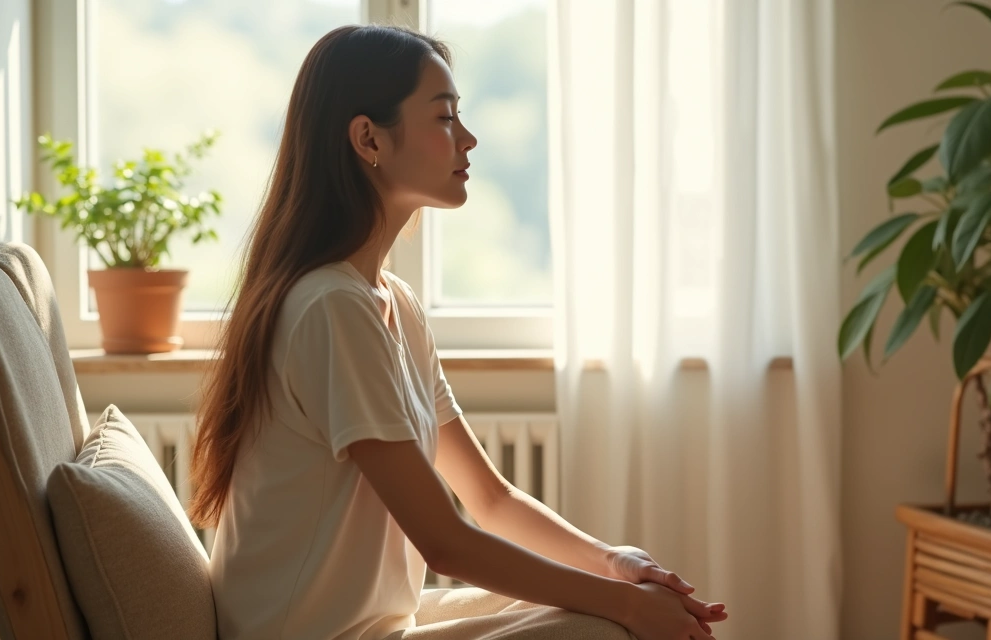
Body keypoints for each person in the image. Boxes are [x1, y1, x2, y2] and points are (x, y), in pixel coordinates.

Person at [187, 24, 727, 640]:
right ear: (369, 139)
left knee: (602, 610)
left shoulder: (393, 304)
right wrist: (627, 607)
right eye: (445, 119)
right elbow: (445, 543)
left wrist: (615, 565)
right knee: (608, 627)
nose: (468, 140)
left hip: (378, 626)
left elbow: (489, 499)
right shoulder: (330, 310)